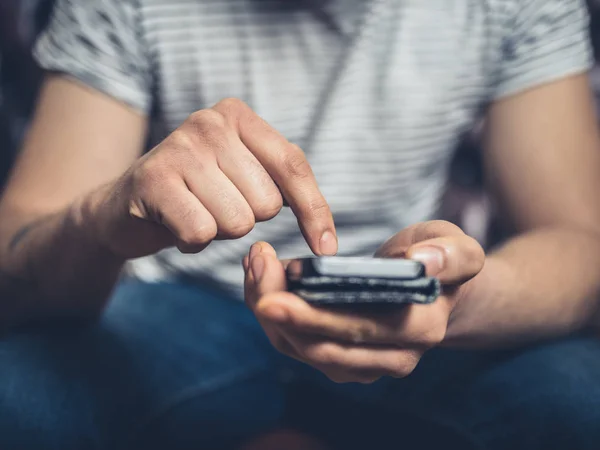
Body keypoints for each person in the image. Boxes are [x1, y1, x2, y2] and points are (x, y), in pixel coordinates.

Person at [1, 0, 600, 449]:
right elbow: (12, 268)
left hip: (435, 332)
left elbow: (582, 246)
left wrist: (456, 298)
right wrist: (99, 217)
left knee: (582, 403)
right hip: (174, 304)